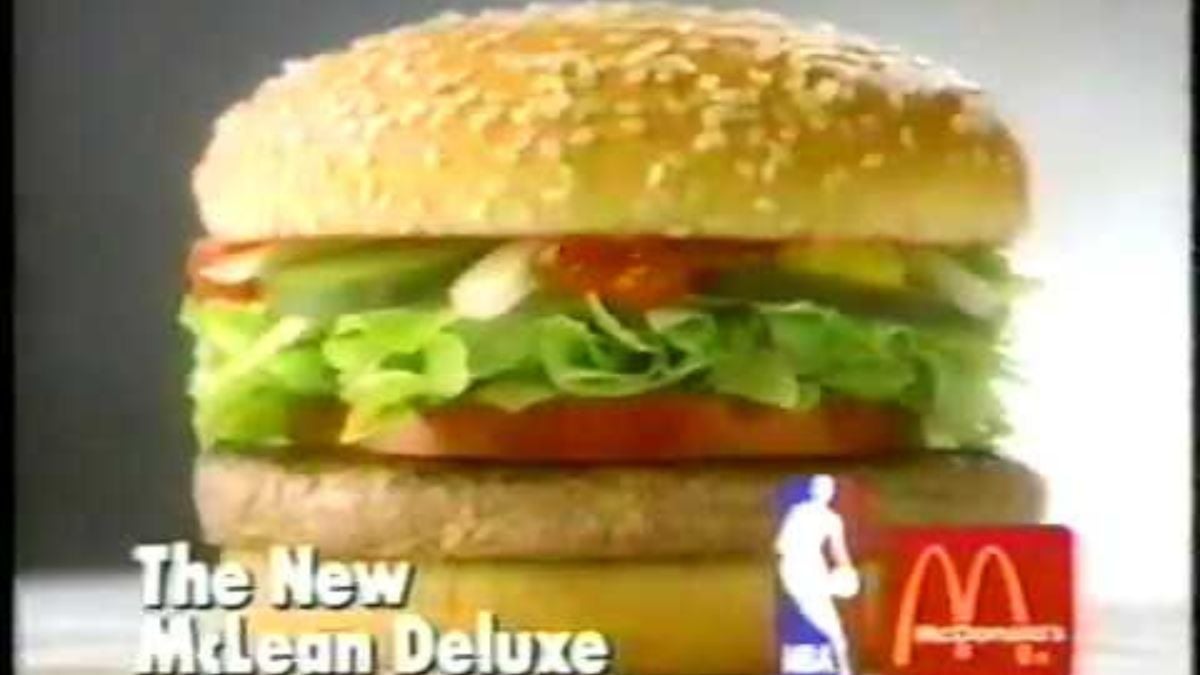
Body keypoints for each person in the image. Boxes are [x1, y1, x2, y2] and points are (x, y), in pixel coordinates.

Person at [776, 475, 861, 675]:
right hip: (798, 571)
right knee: (828, 626)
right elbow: (781, 545)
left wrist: (848, 575)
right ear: (814, 490)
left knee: (834, 630)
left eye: (828, 488)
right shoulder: (799, 512)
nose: (825, 492)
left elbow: (840, 553)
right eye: (821, 487)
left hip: (814, 571)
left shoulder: (832, 519)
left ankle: (842, 668)